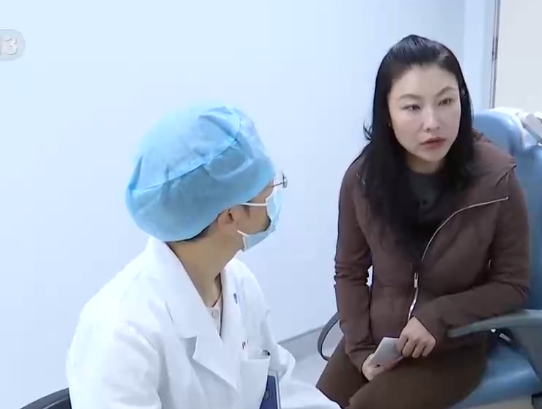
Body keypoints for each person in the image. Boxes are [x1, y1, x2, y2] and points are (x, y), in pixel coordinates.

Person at [66, 103, 340, 409]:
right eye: (268, 186)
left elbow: (281, 389)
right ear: (231, 217)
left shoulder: (238, 283)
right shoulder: (120, 335)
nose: (275, 194)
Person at [315, 35, 532, 409]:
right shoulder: (362, 179)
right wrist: (360, 350)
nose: (433, 123)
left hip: (452, 347)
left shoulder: (497, 178)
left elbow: (513, 285)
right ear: (387, 113)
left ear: (462, 101)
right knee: (311, 404)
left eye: (446, 101)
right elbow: (349, 271)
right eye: (412, 107)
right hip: (378, 340)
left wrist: (439, 315)